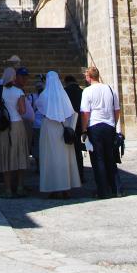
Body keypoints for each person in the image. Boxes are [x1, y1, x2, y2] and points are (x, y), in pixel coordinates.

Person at [35, 70, 80, 198]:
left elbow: (39, 107)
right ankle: (66, 188)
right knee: (64, 158)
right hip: (63, 127)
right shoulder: (63, 95)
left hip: (49, 128)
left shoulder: (44, 95)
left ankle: (54, 188)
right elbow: (70, 111)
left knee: (50, 158)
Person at [0, 66, 30, 198]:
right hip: (16, 125)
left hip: (2, 126)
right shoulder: (19, 92)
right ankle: (20, 187)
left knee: (5, 157)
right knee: (19, 155)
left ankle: (7, 189)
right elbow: (23, 111)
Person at [80, 65, 120, 198]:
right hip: (109, 126)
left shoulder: (87, 91)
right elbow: (117, 109)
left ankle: (103, 191)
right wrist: (113, 123)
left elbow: (85, 113)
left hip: (94, 126)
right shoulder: (110, 89)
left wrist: (84, 129)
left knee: (98, 160)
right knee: (110, 158)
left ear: (89, 77)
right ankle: (116, 189)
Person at [63, 74, 85, 183]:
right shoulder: (81, 91)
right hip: (80, 123)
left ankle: (71, 175)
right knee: (78, 151)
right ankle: (80, 174)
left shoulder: (65, 91)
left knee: (69, 151)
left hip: (69, 124)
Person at [14, 67, 34, 160]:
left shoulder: (21, 89)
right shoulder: (15, 90)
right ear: (16, 77)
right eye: (22, 77)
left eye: (26, 77)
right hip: (20, 123)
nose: (25, 79)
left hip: (26, 123)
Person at [28, 74, 45, 167]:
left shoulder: (32, 96)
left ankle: (38, 164)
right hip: (45, 124)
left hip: (35, 124)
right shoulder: (47, 97)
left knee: (36, 144)